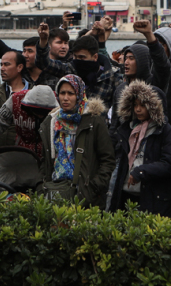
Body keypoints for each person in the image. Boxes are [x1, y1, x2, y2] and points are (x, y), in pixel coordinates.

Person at [38, 74, 116, 208]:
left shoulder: (93, 122)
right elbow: (44, 160)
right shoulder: (51, 122)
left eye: (71, 93)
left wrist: (93, 187)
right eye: (62, 93)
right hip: (55, 193)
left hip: (85, 197)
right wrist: (43, 186)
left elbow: (107, 160)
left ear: (79, 95)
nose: (65, 98)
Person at [109, 80, 171, 217]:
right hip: (125, 194)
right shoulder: (127, 128)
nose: (138, 109)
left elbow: (169, 164)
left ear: (153, 106)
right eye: (135, 105)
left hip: (151, 197)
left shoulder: (165, 131)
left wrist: (141, 172)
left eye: (143, 105)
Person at [0, 85, 58, 176]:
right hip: (21, 157)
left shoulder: (60, 102)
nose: (39, 115)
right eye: (35, 110)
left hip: (49, 160)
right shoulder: (15, 100)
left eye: (43, 112)